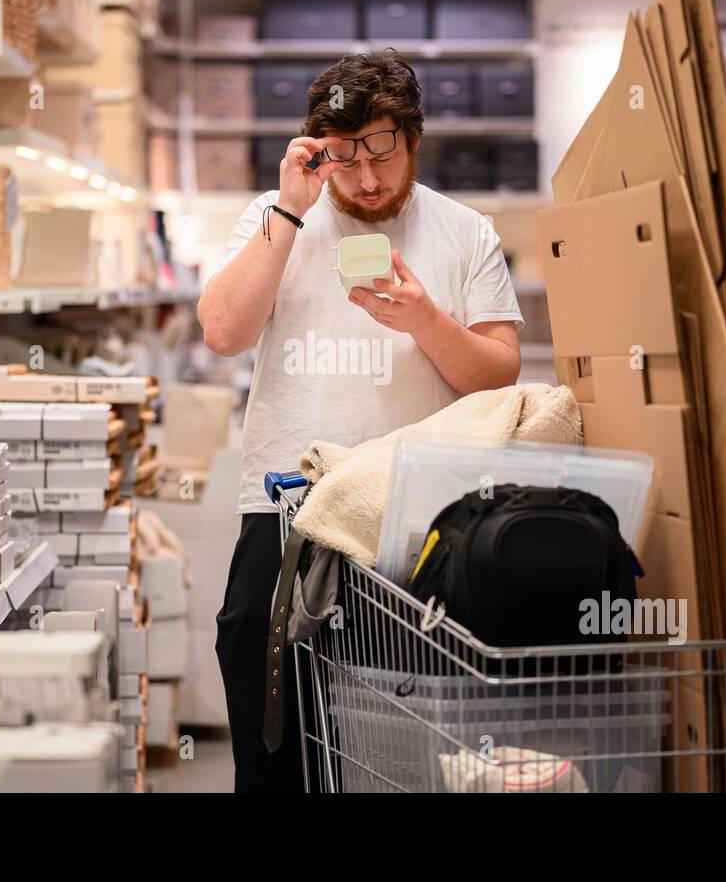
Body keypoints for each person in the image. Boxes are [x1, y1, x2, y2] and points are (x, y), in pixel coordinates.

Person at [198, 50, 524, 792]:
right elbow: (222, 331)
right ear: (317, 147)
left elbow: (498, 373)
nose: (369, 180)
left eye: (383, 153)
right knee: (267, 703)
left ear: (413, 140)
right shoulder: (274, 216)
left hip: (418, 511)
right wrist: (288, 207)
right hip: (286, 506)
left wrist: (426, 321)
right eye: (346, 158)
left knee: (413, 731)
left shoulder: (465, 230)